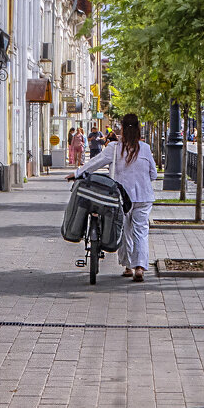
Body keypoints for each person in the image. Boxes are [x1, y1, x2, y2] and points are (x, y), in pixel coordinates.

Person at [66, 113, 156, 282]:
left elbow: (95, 162)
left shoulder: (114, 148)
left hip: (121, 198)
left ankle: (128, 266)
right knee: (141, 232)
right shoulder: (145, 148)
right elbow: (154, 174)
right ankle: (140, 268)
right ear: (138, 129)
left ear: (121, 128)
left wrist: (77, 173)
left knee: (122, 230)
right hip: (143, 197)